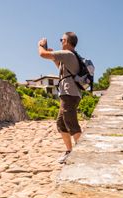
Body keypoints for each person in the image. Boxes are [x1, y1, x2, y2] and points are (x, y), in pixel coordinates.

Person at [37, 31, 82, 163]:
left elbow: (42, 54)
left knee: (70, 122)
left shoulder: (68, 53)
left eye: (61, 39)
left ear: (67, 42)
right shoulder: (70, 56)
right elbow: (61, 68)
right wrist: (54, 58)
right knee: (61, 123)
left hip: (70, 94)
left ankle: (83, 152)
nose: (60, 42)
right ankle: (69, 151)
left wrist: (40, 45)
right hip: (68, 93)